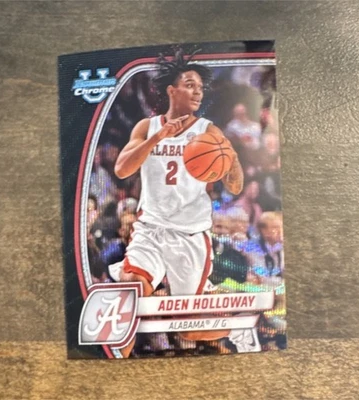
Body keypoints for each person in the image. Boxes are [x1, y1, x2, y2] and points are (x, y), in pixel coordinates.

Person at [109, 48, 248, 357]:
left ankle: (238, 327)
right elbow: (121, 170)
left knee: (188, 328)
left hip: (189, 236)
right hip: (150, 229)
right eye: (190, 84)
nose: (197, 91)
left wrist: (230, 154)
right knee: (130, 293)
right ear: (172, 90)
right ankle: (113, 362)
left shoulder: (208, 131)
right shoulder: (147, 127)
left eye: (200, 87)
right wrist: (157, 139)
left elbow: (236, 186)